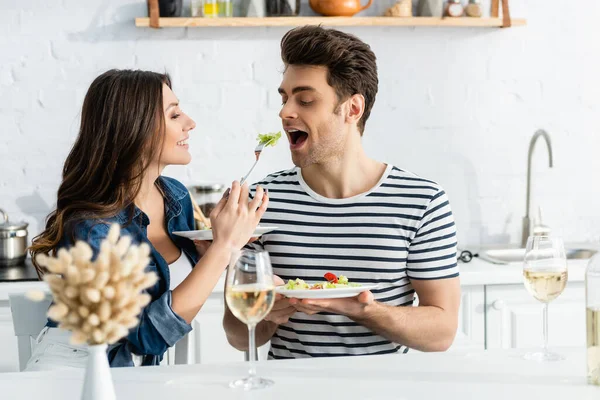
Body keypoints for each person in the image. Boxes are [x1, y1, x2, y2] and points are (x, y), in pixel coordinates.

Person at [223, 26, 460, 359]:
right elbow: (236, 334)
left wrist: (364, 310)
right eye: (284, 97)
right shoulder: (260, 201)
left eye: (305, 99)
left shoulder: (422, 201)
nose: (285, 112)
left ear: (352, 109)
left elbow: (441, 332)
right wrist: (268, 313)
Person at [28, 69, 268, 369]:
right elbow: (145, 336)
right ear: (134, 127)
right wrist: (223, 248)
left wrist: (215, 248)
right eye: (174, 115)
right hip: (75, 375)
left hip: (136, 379)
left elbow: (189, 285)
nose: (190, 123)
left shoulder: (175, 197)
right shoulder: (93, 226)